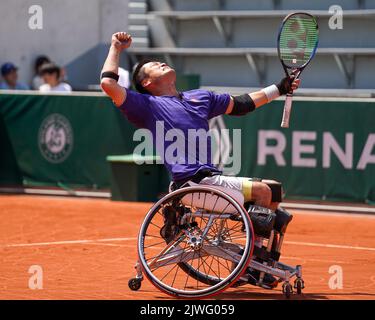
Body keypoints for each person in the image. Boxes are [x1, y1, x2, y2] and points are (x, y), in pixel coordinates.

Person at [101, 32, 300, 289]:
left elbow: (241, 105)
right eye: (154, 65)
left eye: (160, 61)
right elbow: (108, 84)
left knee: (274, 190)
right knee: (262, 192)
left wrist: (280, 88)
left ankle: (256, 260)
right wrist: (116, 47)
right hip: (192, 185)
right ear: (148, 82)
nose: (161, 62)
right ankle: (251, 265)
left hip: (209, 181)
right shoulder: (146, 105)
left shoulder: (200, 97)